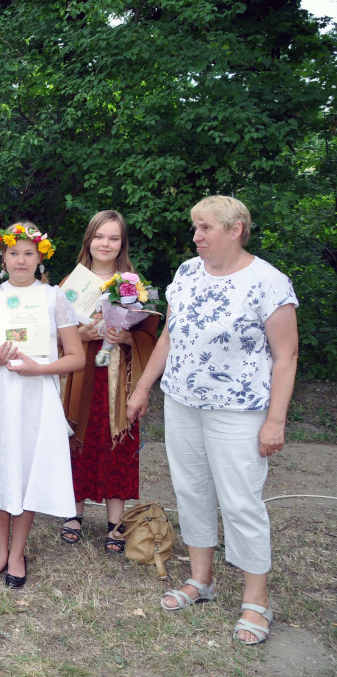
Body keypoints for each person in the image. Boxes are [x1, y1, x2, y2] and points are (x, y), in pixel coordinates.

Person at [127, 196, 298, 646]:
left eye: (205, 228)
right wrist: (144, 387)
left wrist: (275, 421)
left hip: (240, 411)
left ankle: (255, 600)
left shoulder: (268, 283)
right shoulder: (186, 273)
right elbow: (169, 334)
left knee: (241, 501)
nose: (197, 237)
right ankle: (201, 579)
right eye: (195, 229)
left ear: (236, 228)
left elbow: (286, 357)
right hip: (183, 403)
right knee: (191, 490)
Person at [0, 223, 84, 587]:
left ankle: (19, 551)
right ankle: (0, 551)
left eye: (28, 253)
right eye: (13, 253)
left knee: (27, 467)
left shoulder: (53, 297)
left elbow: (76, 357)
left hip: (35, 395)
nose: (20, 260)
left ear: (41, 258)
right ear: (3, 258)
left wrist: (41, 368)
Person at [59, 211, 159, 552]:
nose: (105, 243)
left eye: (113, 238)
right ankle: (74, 512)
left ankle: (116, 519)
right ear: (89, 239)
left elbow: (151, 336)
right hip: (79, 374)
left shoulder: (132, 286)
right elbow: (51, 332)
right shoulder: (70, 284)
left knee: (118, 440)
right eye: (99, 236)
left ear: (122, 244)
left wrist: (127, 339)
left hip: (119, 377)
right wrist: (81, 334)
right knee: (77, 436)